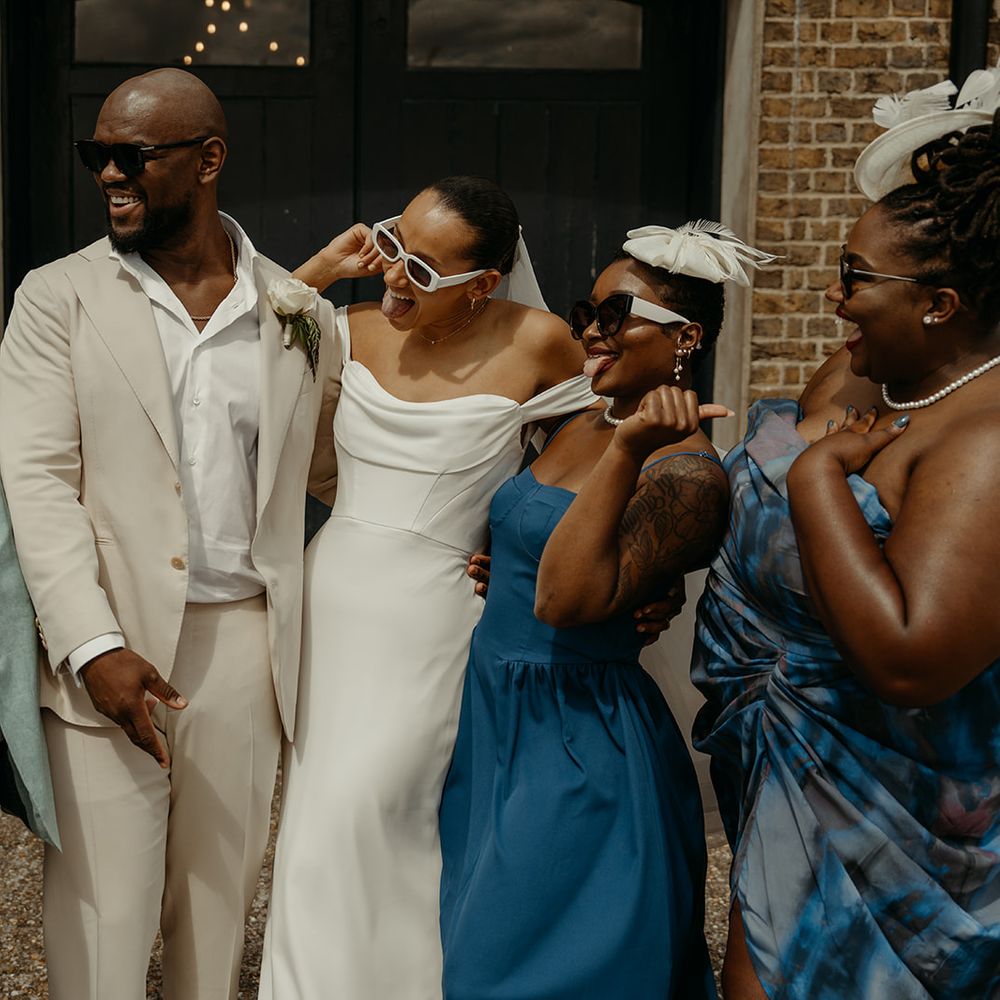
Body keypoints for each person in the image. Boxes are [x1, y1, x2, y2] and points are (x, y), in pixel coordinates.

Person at [0, 69, 358, 999]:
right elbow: (37, 481)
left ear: (209, 161)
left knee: (213, 927)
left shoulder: (298, 313)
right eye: (97, 156)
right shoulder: (55, 298)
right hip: (107, 650)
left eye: (133, 157)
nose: (109, 175)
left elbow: (333, 474)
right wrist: (91, 645)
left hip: (245, 650)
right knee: (101, 930)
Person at [259, 176, 638, 999]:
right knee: (318, 817)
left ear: (484, 285)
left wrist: (524, 540)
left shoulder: (539, 343)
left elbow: (602, 445)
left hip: (432, 613)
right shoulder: (350, 329)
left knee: (382, 808)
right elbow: (238, 377)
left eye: (425, 270)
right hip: (335, 600)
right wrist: (320, 270)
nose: (395, 277)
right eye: (395, 247)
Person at [691, 100, 1000, 996]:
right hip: (787, 781)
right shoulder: (868, 373)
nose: (834, 298)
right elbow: (756, 497)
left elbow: (909, 659)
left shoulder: (981, 444)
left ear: (940, 304)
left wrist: (822, 482)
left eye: (854, 276)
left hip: (900, 836)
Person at [438, 222, 774, 999]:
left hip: (580, 744)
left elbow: (565, 600)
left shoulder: (686, 472)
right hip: (498, 722)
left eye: (617, 314)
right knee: (472, 949)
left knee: (529, 973)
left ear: (685, 337)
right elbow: (542, 549)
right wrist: (508, 558)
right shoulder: (577, 417)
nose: (592, 329)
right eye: (587, 310)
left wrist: (626, 453)